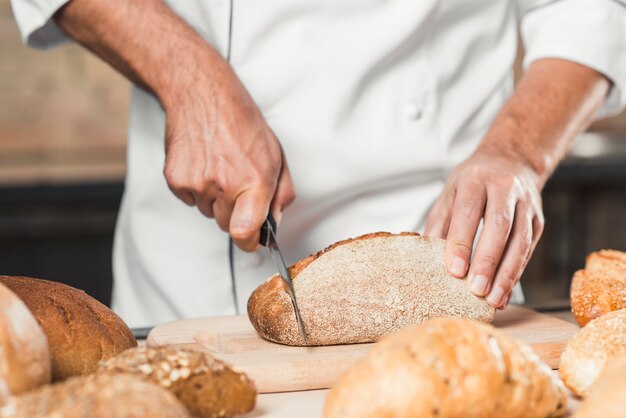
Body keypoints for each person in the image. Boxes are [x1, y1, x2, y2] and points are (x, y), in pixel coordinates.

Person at [10, 0, 626, 328]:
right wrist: (185, 74)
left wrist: (515, 153)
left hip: (445, 260)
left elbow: (587, 10)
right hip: (187, 291)